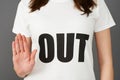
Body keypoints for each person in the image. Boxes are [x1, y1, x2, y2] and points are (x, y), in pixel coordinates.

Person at [12, 0, 116, 80]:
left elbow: (106, 62)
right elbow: (21, 66)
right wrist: (21, 71)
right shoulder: (27, 4)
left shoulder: (95, 2)